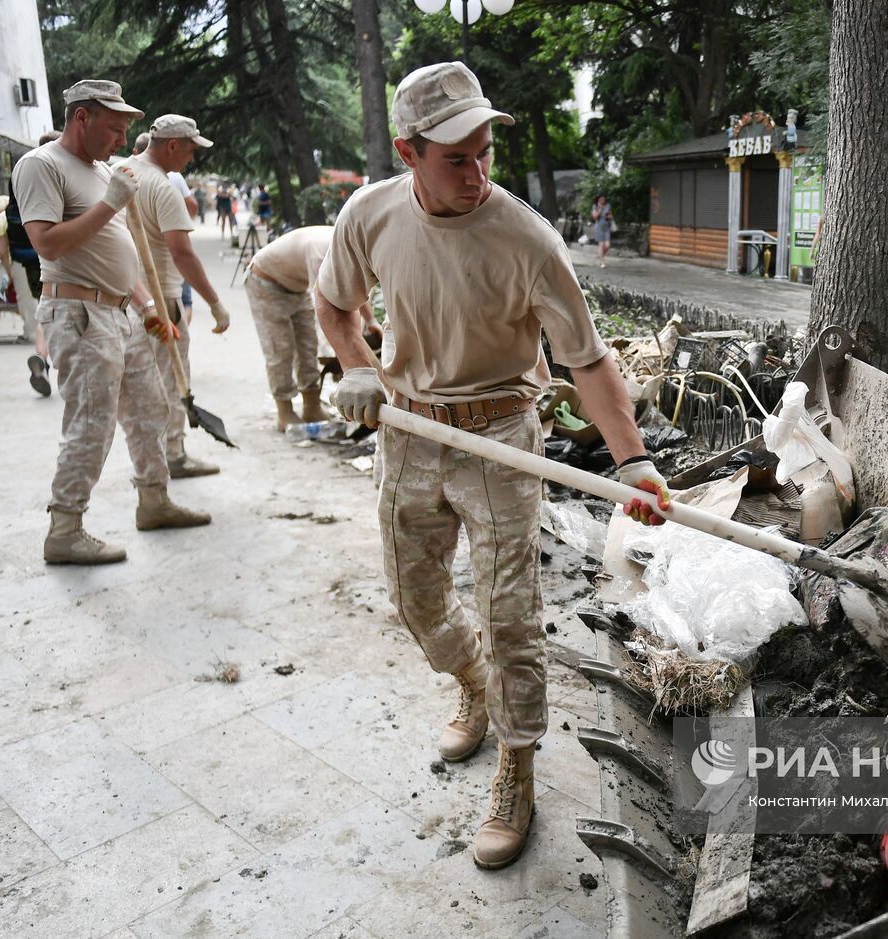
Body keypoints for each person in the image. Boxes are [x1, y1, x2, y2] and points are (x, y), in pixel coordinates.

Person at [317, 61, 671, 871]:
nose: (477, 173)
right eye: (455, 158)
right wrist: (355, 364)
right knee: (416, 599)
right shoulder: (367, 216)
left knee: (511, 611)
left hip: (501, 436)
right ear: (408, 153)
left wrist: (636, 461)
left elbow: (587, 361)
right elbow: (334, 302)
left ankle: (518, 761)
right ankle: (472, 682)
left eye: (484, 153)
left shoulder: (525, 238)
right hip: (409, 429)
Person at [12, 79, 211, 565]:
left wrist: (146, 306)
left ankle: (154, 501)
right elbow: (49, 244)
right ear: (82, 117)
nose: (124, 140)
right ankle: (65, 528)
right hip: (78, 315)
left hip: (121, 312)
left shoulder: (102, 170)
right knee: (92, 425)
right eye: (115, 128)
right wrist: (111, 202)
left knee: (151, 411)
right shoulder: (41, 166)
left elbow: (118, 252)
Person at [130, 114, 233, 478]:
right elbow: (182, 253)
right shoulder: (162, 187)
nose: (191, 160)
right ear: (172, 146)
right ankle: (173, 455)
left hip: (128, 298)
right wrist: (215, 303)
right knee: (171, 380)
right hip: (162, 302)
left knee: (142, 385)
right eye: (189, 151)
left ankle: (154, 458)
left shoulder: (122, 173)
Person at [247, 225, 379, 429]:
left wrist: (370, 321)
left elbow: (355, 290)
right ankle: (285, 411)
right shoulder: (323, 254)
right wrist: (346, 356)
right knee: (280, 349)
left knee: (307, 346)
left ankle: (311, 406)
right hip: (266, 282)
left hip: (295, 287)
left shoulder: (352, 250)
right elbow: (328, 311)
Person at [0, 194, 50, 394]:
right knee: (48, 306)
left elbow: (1, 251)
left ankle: (38, 350)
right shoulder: (38, 207)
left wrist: (9, 273)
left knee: (34, 307)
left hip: (19, 264)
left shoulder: (2, 219)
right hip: (45, 261)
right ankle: (43, 357)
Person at [591, 194, 613, 268]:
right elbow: (595, 217)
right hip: (599, 227)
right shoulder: (595, 206)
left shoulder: (608, 206)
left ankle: (600, 255)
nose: (602, 201)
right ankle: (602, 262)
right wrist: (600, 209)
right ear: (598, 200)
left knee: (607, 245)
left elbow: (610, 215)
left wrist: (609, 216)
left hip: (607, 227)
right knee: (601, 244)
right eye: (601, 199)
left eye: (603, 199)